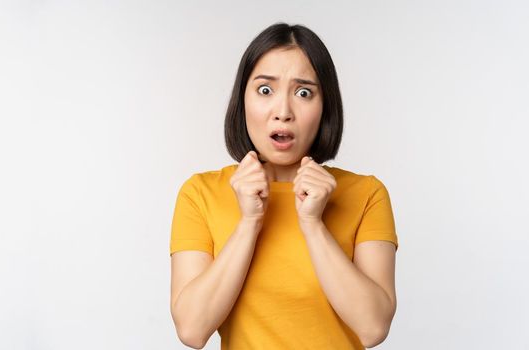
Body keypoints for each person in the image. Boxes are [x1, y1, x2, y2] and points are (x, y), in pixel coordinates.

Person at [169, 23, 398, 349]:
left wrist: (312, 224)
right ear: (242, 99)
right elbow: (192, 330)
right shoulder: (201, 193)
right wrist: (249, 223)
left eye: (304, 92)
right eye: (265, 90)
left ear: (325, 106)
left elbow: (373, 327)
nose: (283, 112)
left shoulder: (366, 194)